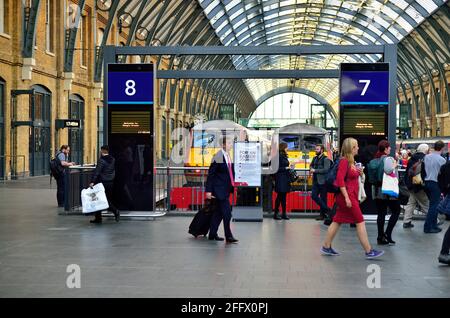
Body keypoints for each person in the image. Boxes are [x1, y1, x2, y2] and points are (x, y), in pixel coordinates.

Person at [321, 138, 384, 259]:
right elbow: (340, 181)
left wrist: (359, 173)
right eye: (356, 146)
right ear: (351, 148)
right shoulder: (345, 161)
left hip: (348, 196)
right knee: (360, 221)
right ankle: (369, 250)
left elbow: (349, 178)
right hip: (348, 196)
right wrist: (346, 198)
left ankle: (326, 246)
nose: (358, 148)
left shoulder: (350, 162)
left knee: (337, 221)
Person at [205, 136, 238, 243]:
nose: (231, 145)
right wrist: (208, 191)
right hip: (219, 190)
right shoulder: (218, 156)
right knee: (227, 213)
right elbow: (211, 174)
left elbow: (229, 172)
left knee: (218, 213)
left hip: (226, 189)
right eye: (229, 143)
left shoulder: (228, 155)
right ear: (223, 145)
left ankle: (212, 234)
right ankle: (228, 236)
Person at [372, 140, 401, 245]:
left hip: (377, 190)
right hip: (388, 190)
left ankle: (380, 237)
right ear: (385, 149)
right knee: (396, 211)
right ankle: (388, 233)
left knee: (381, 214)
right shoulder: (388, 159)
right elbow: (388, 170)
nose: (390, 149)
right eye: (389, 147)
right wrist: (395, 164)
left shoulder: (376, 159)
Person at [89, 145, 120, 224]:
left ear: (102, 150)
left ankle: (115, 211)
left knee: (100, 199)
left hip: (102, 183)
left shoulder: (101, 160)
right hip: (110, 182)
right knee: (103, 199)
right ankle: (98, 218)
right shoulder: (113, 159)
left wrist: (92, 181)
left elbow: (97, 172)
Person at [403, 143, 430, 229]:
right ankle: (434, 220)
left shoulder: (412, 158)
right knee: (425, 203)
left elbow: (407, 172)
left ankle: (406, 221)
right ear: (425, 150)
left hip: (411, 184)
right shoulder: (425, 159)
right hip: (419, 185)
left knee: (411, 203)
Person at [423, 140, 447, 233]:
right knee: (434, 206)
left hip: (426, 182)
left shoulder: (426, 157)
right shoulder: (442, 160)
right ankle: (428, 227)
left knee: (433, 205)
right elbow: (443, 174)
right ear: (442, 148)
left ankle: (434, 225)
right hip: (436, 183)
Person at [310, 144, 332, 220]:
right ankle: (328, 210)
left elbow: (326, 170)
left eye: (317, 149)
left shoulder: (326, 159)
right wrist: (311, 168)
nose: (316, 150)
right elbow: (311, 165)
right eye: (316, 149)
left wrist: (315, 170)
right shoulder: (315, 158)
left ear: (322, 150)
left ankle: (322, 215)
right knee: (313, 196)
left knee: (323, 198)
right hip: (315, 181)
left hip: (323, 181)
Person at [273, 142, 293, 220]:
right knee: (280, 197)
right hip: (280, 179)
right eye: (286, 147)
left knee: (283, 197)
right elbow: (276, 168)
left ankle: (283, 213)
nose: (287, 148)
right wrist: (286, 168)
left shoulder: (283, 155)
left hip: (284, 179)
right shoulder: (279, 156)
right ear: (283, 148)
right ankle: (276, 213)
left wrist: (289, 167)